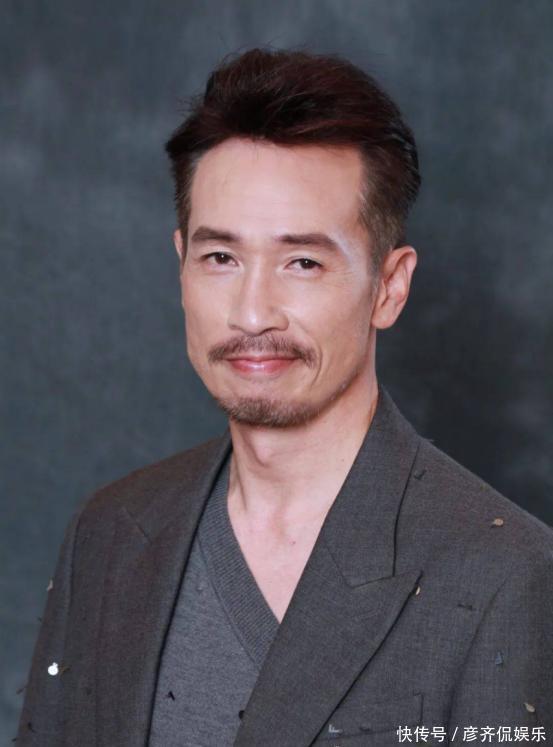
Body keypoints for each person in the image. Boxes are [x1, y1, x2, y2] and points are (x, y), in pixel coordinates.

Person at [17, 48, 553, 747]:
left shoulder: (505, 575)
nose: (251, 313)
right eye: (221, 258)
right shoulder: (110, 532)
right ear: (181, 266)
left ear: (389, 287)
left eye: (302, 262)